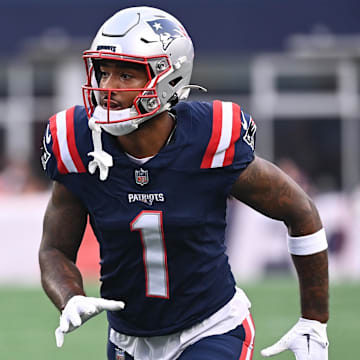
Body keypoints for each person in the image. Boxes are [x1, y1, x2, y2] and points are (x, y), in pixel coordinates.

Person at [39, 6, 329, 360]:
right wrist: (70, 296)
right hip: (127, 341)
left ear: (168, 80)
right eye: (103, 73)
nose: (107, 89)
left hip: (211, 328)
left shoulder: (211, 139)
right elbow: (54, 249)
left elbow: (301, 212)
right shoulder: (76, 142)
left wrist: (314, 321)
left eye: (126, 76)